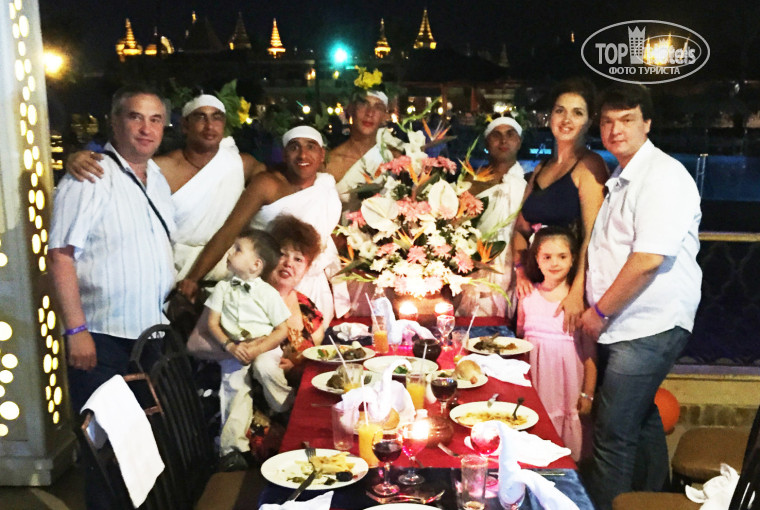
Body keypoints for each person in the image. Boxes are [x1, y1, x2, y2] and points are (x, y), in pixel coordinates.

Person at [49, 85, 174, 509]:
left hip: (148, 335)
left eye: (155, 119)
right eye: (135, 117)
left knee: (140, 447)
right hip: (103, 337)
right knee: (105, 449)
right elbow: (61, 255)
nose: (146, 128)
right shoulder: (90, 176)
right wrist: (76, 330)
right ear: (114, 121)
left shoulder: (157, 178)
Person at [579, 84, 702, 509]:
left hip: (649, 323)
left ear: (647, 123)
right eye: (608, 121)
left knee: (612, 431)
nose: (616, 129)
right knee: (641, 420)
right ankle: (653, 499)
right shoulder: (623, 175)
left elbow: (649, 258)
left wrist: (598, 311)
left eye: (627, 119)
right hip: (627, 322)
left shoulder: (663, 176)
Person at [66, 94, 267, 280]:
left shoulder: (241, 164)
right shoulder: (159, 168)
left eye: (216, 118)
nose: (209, 125)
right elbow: (120, 173)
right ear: (185, 125)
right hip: (172, 271)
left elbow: (277, 184)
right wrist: (77, 159)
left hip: (228, 270)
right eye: (200, 117)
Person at [177, 126, 343, 325]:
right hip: (267, 288)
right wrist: (193, 279)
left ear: (322, 154)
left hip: (314, 289)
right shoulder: (267, 184)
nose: (302, 154)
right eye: (294, 147)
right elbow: (229, 232)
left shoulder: (325, 186)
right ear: (284, 154)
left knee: (312, 342)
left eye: (311, 147)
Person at [216, 215, 325, 466]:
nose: (288, 264)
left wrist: (296, 365)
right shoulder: (248, 296)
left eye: (298, 259)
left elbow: (317, 362)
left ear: (306, 268)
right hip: (256, 413)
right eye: (283, 255)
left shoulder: (307, 308)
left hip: (297, 405)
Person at [512, 78, 609, 332]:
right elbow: (520, 229)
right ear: (550, 117)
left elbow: (592, 237)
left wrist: (577, 292)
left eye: (577, 113)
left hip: (569, 291)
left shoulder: (590, 166)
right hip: (536, 288)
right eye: (560, 110)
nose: (567, 119)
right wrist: (521, 271)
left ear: (589, 121)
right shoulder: (541, 168)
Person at [516, 226, 596, 462]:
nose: (554, 263)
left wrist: (588, 394)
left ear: (573, 259)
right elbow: (520, 343)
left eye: (562, 256)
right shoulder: (527, 297)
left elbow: (590, 354)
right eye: (547, 257)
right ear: (536, 259)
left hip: (568, 387)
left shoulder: (577, 303)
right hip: (537, 384)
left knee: (567, 444)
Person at [204, 229, 290, 431]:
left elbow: (282, 330)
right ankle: (233, 445)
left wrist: (258, 349)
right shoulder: (222, 288)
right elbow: (212, 323)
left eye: (238, 249)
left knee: (265, 367)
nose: (230, 252)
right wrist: (229, 346)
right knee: (233, 391)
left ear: (256, 265)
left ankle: (286, 406)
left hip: (263, 345)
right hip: (235, 348)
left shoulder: (268, 293)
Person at [456, 116, 527, 318]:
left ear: (519, 141)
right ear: (487, 142)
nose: (503, 141)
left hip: (513, 267)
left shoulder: (527, 183)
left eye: (510, 135)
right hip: (475, 265)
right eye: (496, 135)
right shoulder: (471, 180)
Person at [327, 90, 391, 202]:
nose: (370, 113)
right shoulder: (331, 162)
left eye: (378, 107)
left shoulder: (393, 158)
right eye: (363, 104)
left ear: (385, 116)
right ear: (351, 109)